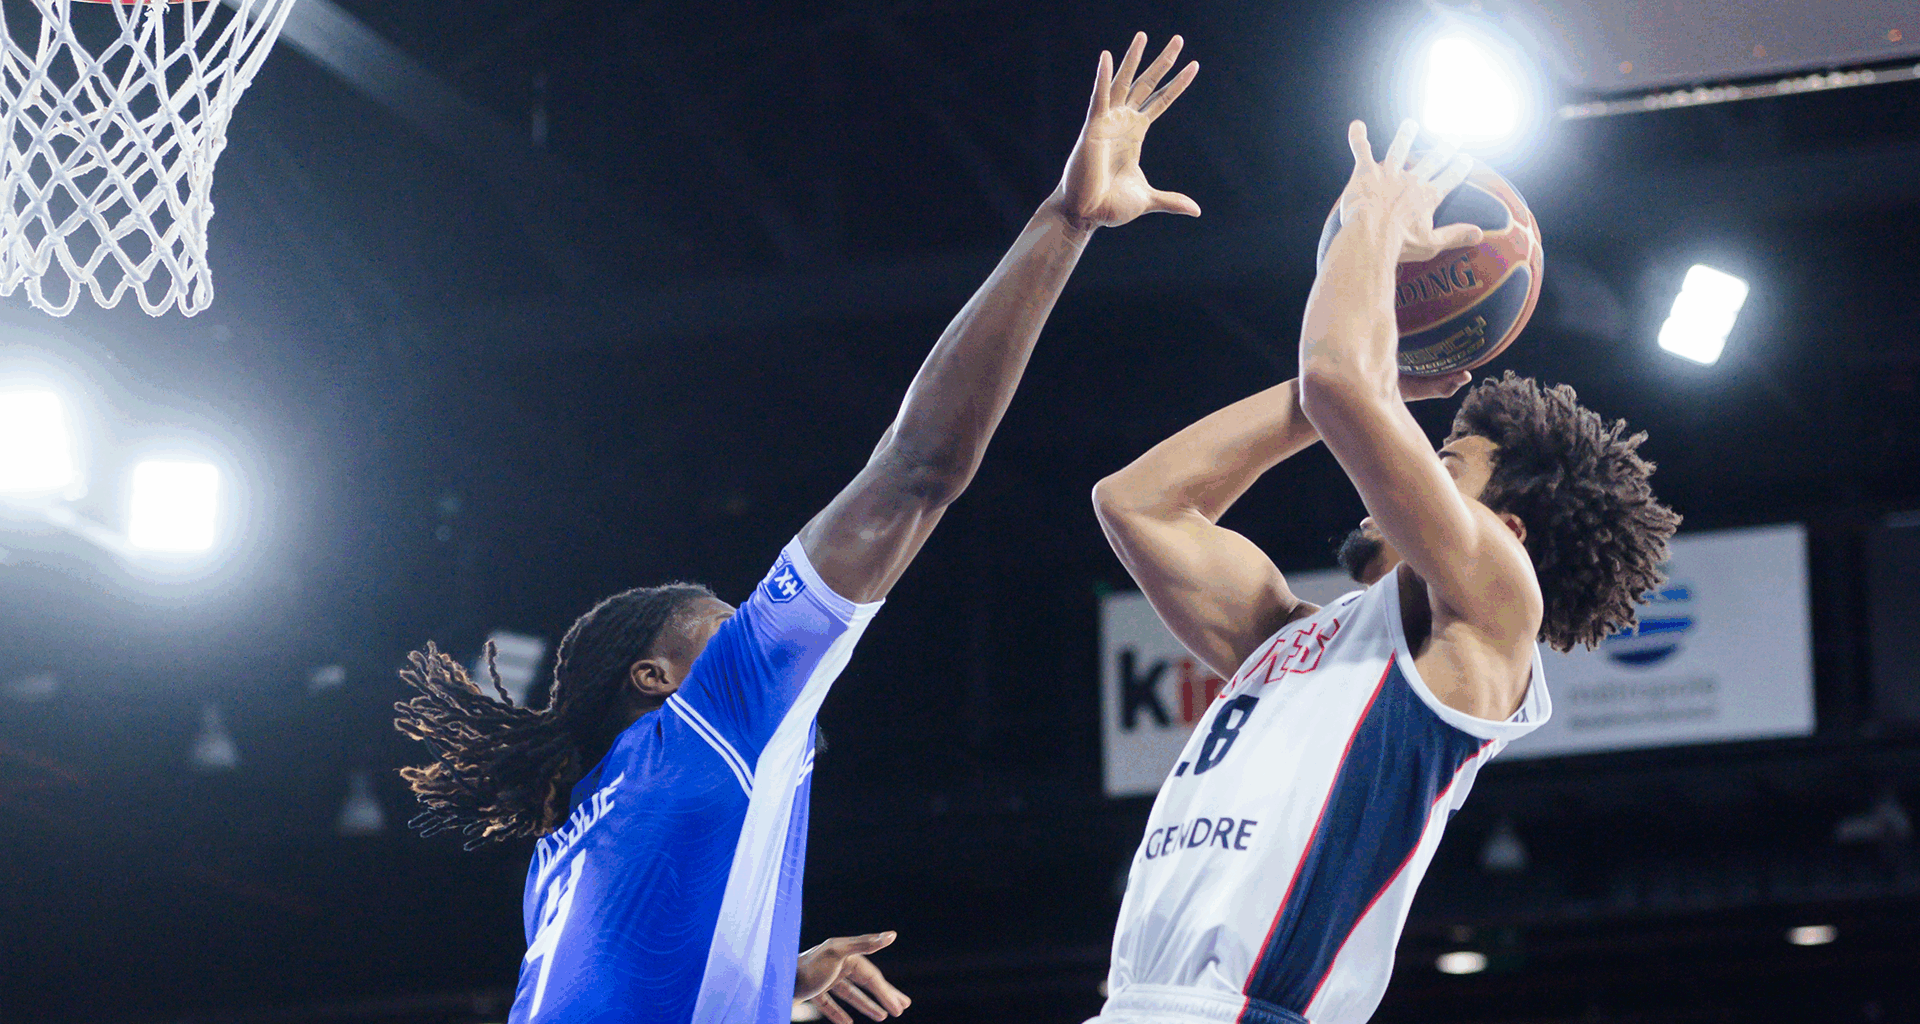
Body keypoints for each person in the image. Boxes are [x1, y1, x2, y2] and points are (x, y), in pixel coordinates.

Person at [391, 32, 1203, 1024]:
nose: (749, 634)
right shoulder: (716, 707)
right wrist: (1065, 220)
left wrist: (769, 987)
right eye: (723, 625)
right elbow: (918, 470)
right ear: (658, 676)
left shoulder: (565, 844)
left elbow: (629, 984)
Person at [1088, 120, 1680, 1024]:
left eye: (1446, 462)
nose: (1410, 461)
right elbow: (1139, 504)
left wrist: (1374, 221)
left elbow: (1337, 383)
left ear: (1505, 528)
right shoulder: (1295, 643)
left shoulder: (1494, 612)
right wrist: (1375, 388)